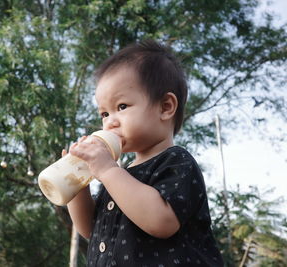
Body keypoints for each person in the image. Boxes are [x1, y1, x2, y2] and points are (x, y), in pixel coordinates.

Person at [64, 40, 224, 266]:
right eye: (103, 114)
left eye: (121, 107)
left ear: (165, 107)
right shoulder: (120, 176)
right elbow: (90, 229)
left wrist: (108, 169)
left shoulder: (177, 161)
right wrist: (77, 184)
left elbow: (162, 222)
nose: (109, 123)